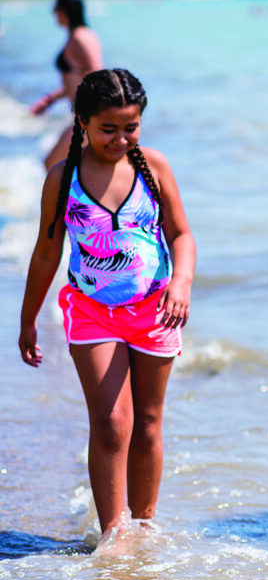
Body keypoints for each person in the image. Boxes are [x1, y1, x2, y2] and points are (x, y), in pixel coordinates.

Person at [18, 68, 196, 552]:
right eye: (108, 129)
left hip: (155, 311)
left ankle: (146, 525)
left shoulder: (152, 167)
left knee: (149, 421)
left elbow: (181, 235)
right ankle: (114, 533)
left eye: (130, 127)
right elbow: (46, 253)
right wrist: (28, 318)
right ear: (82, 122)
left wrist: (180, 282)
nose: (120, 139)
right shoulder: (63, 178)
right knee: (113, 422)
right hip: (91, 309)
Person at [30, 0, 105, 171]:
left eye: (54, 10)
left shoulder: (81, 38)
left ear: (63, 11)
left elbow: (97, 76)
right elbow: (79, 80)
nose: (54, 15)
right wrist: (50, 100)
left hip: (87, 117)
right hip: (85, 116)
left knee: (52, 165)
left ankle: (64, 200)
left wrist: (89, 119)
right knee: (69, 169)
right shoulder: (80, 36)